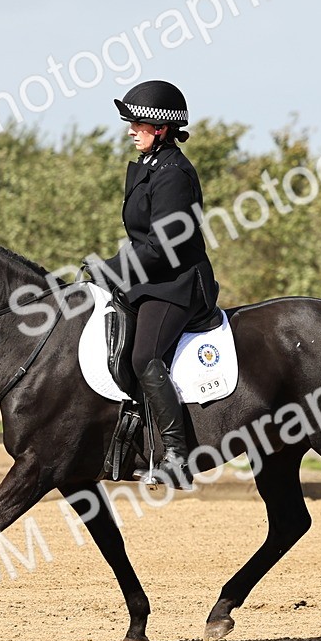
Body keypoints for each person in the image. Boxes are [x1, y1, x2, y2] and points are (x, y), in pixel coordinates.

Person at [93, 80, 220, 489]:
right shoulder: (150, 167)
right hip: (150, 280)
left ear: (160, 129)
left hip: (178, 284)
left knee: (144, 355)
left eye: (137, 123)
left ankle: (177, 456)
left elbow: (164, 244)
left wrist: (112, 268)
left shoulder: (175, 175)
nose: (130, 129)